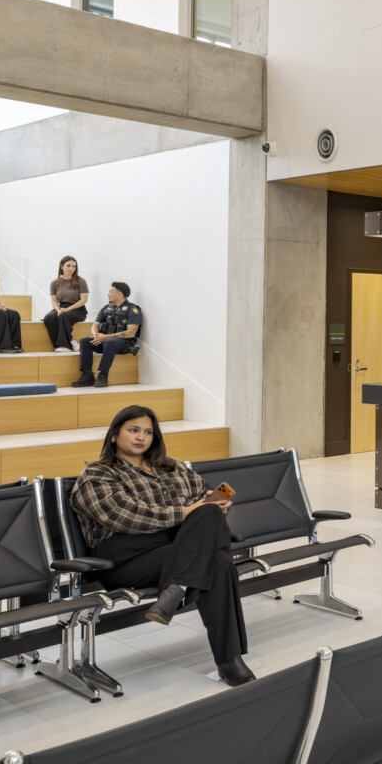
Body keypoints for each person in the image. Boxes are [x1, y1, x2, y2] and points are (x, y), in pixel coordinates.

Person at [70, 405, 255, 686]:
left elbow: (201, 500)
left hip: (176, 548)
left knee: (217, 552)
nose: (141, 437)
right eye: (133, 430)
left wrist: (213, 504)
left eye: (148, 432)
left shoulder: (172, 467)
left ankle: (177, 590)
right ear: (114, 434)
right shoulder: (98, 474)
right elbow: (124, 516)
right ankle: (229, 660)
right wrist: (187, 512)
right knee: (214, 555)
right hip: (126, 557)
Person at [73, 281, 142, 388]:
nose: (108, 294)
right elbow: (95, 325)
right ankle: (87, 375)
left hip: (124, 344)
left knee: (110, 342)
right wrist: (96, 336)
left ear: (120, 295)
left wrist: (105, 337)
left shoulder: (133, 310)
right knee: (85, 341)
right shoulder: (106, 308)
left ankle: (103, 375)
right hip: (106, 341)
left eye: (110, 292)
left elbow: (131, 333)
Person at [44, 255, 89, 352]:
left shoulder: (81, 281)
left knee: (63, 316)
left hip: (78, 309)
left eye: (74, 266)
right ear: (61, 266)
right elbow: (54, 301)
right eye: (68, 265)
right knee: (49, 318)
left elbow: (84, 300)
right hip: (62, 307)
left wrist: (68, 309)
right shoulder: (54, 283)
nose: (71, 269)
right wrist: (58, 309)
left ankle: (65, 346)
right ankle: (68, 342)